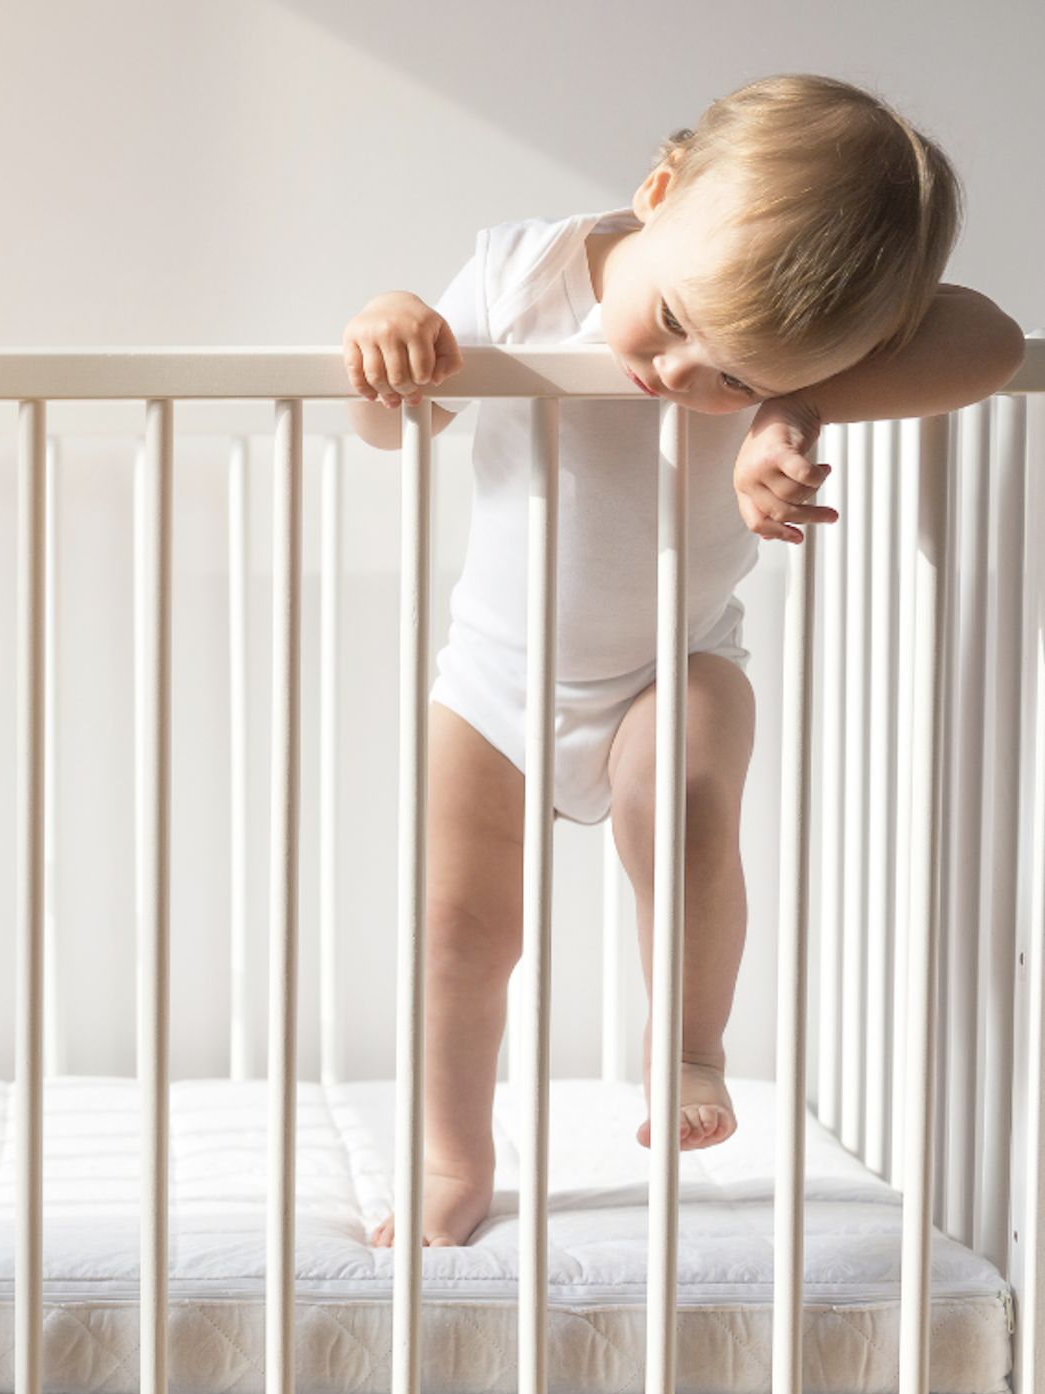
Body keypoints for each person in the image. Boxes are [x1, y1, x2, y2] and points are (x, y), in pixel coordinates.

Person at [341, 74, 1025, 1249]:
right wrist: (388, 328)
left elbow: (995, 340)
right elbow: (388, 422)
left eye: (732, 373)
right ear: (653, 198)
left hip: (671, 660)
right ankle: (452, 1156)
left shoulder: (777, 374)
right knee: (458, 930)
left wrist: (795, 404)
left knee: (685, 793)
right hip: (495, 683)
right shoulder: (518, 277)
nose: (678, 376)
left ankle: (689, 1046)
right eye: (669, 324)